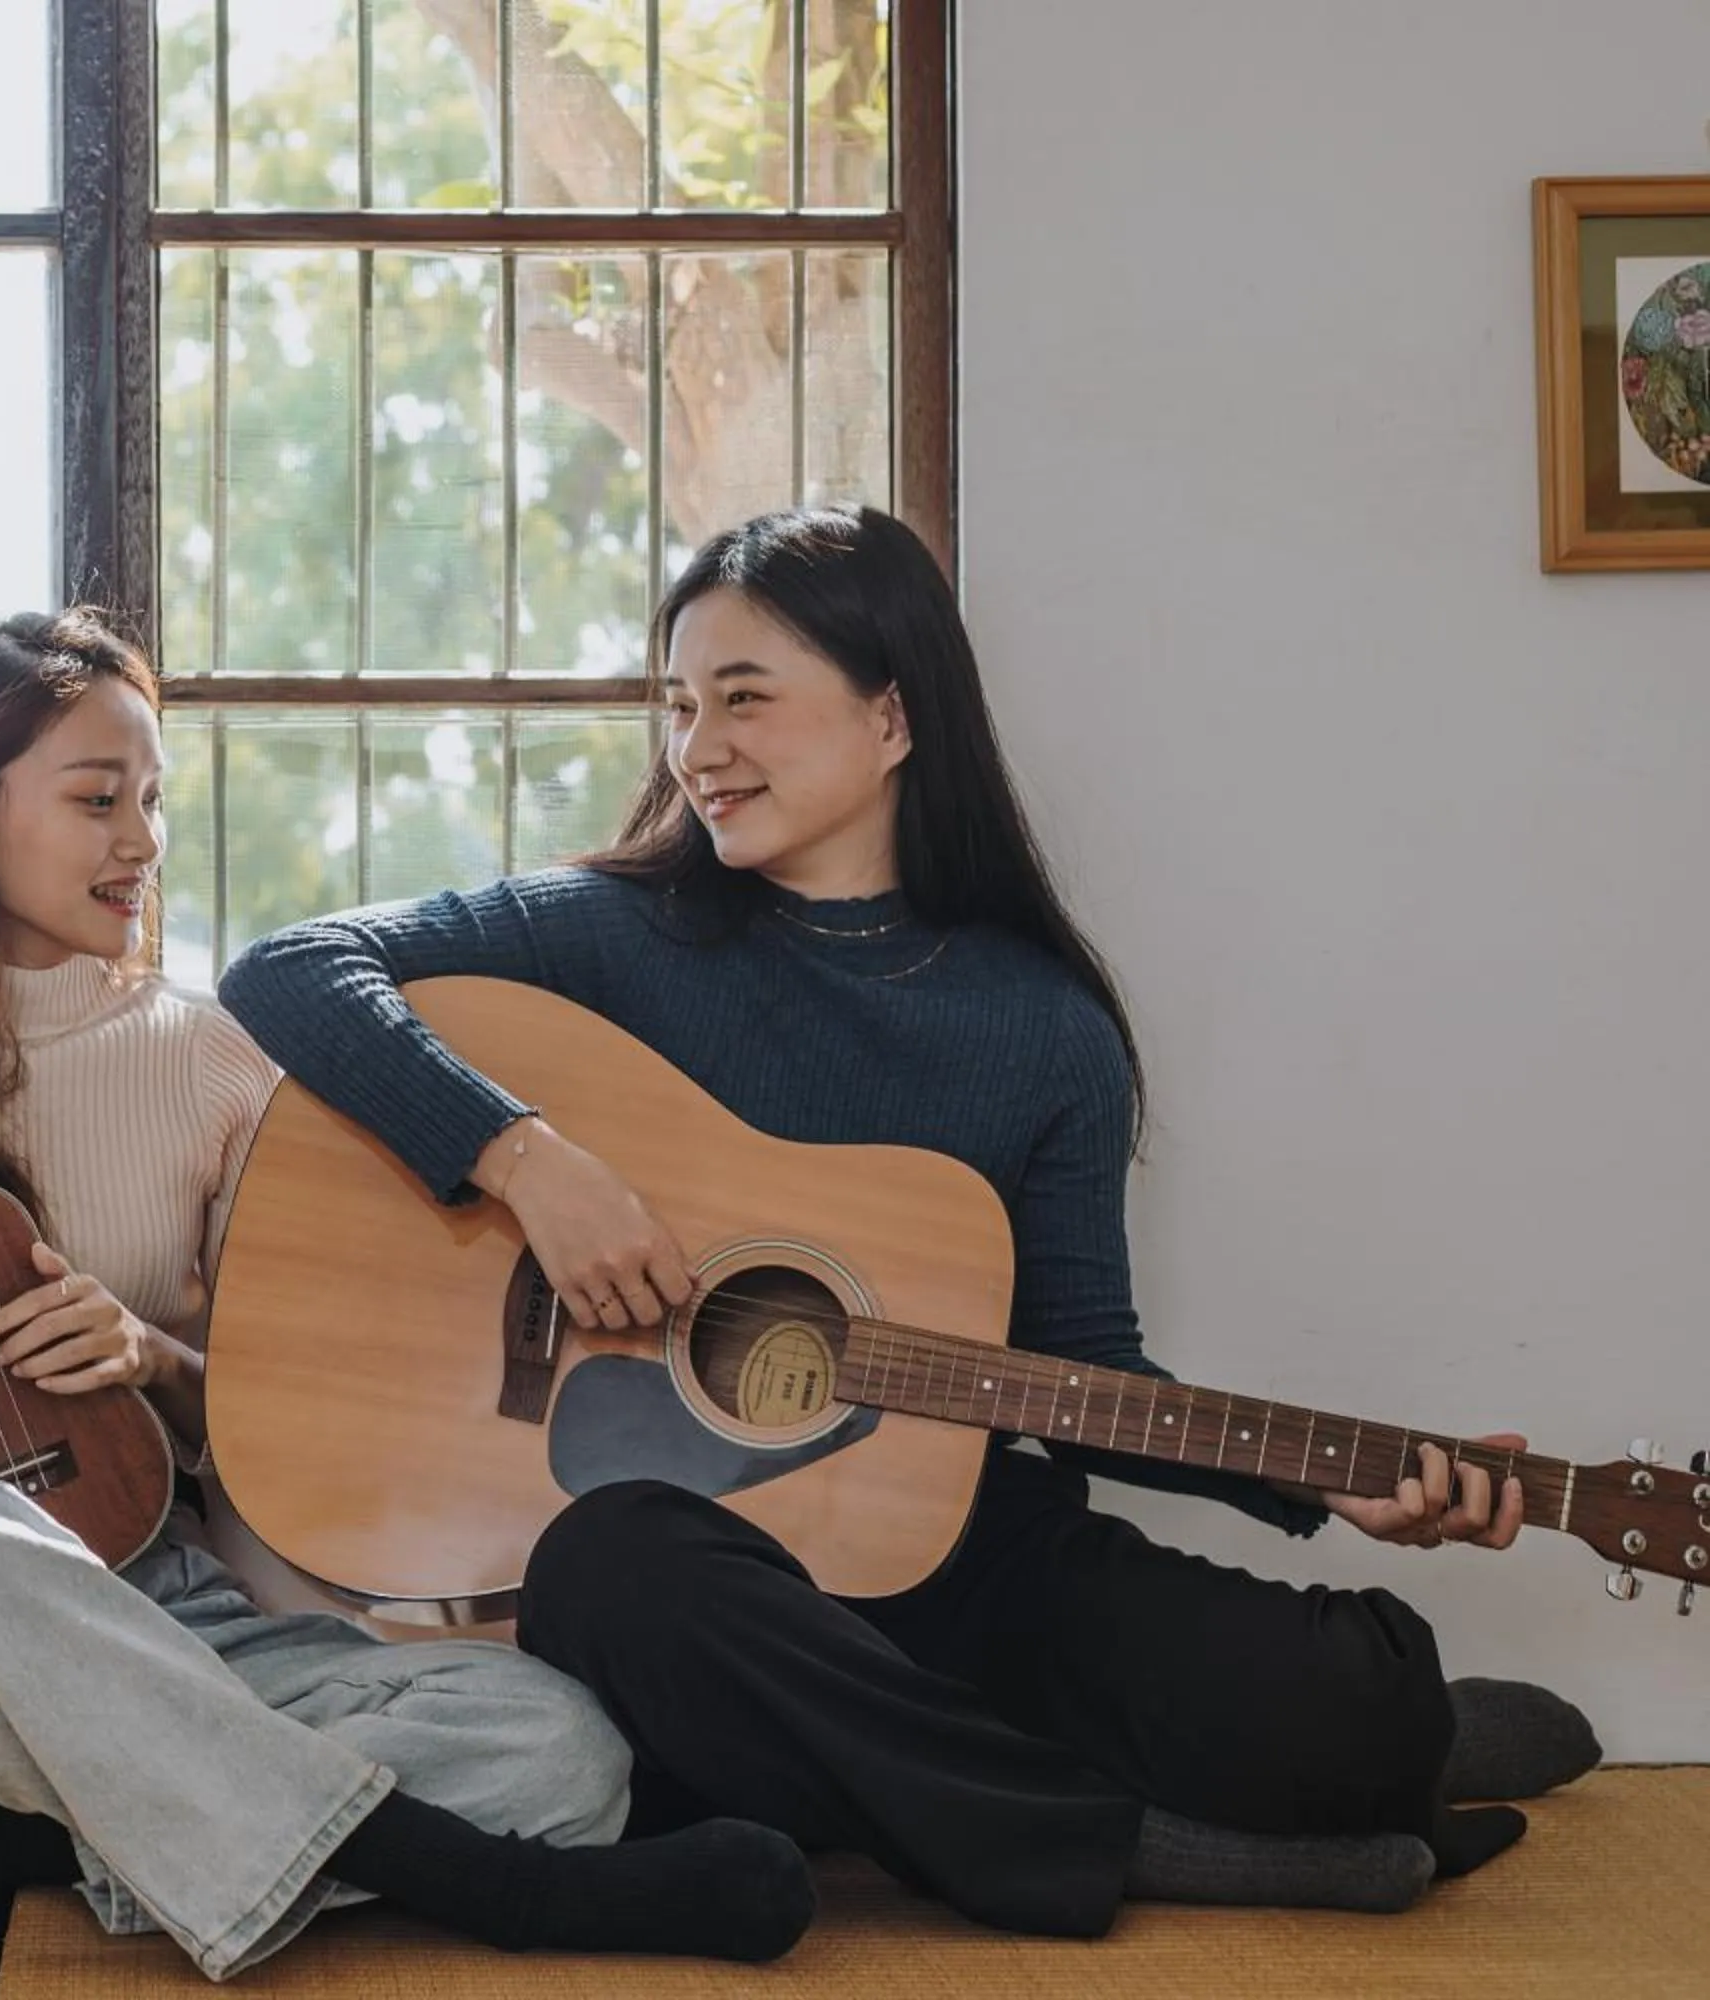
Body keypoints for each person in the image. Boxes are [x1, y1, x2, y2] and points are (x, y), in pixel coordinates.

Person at [217, 507, 1600, 1938]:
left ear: (893, 715)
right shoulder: (604, 933)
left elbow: (1083, 1373)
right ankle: (1127, 1837)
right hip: (723, 1602)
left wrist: (1323, 1486)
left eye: (746, 699)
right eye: (681, 705)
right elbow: (291, 966)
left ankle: (1238, 1764)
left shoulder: (1044, 1029)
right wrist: (524, 1161)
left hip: (956, 1552)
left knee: (1366, 1702)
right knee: (611, 1566)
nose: (698, 747)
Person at [0, 608, 816, 1980]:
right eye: (98, 801)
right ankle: (483, 1888)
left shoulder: (209, 1061)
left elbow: (289, 1422)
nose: (142, 841)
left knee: (556, 1742)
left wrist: (151, 1355)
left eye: (152, 798)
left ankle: (35, 1840)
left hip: (162, 1602)